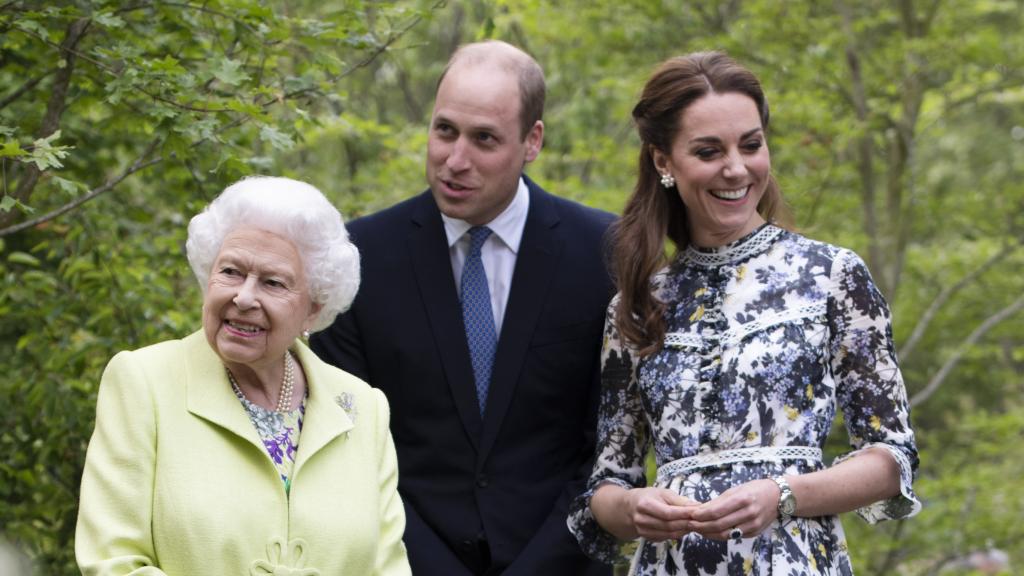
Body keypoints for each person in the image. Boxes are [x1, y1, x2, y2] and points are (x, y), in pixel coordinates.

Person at [567, 52, 921, 575]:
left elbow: (892, 458)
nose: (736, 168)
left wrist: (784, 492)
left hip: (796, 561)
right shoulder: (636, 304)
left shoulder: (832, 276)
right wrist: (633, 508)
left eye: (751, 145)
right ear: (663, 161)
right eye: (709, 151)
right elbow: (608, 484)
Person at [311, 40, 614, 575]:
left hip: (561, 564)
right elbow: (348, 447)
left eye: (484, 140)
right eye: (444, 130)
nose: (455, 160)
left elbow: (609, 445)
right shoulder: (357, 257)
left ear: (532, 141)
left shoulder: (603, 251)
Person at [75, 177, 411, 575]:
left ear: (313, 310)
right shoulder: (142, 382)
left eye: (272, 282)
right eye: (231, 272)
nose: (244, 297)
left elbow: (388, 568)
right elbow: (113, 563)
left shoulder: (362, 408)